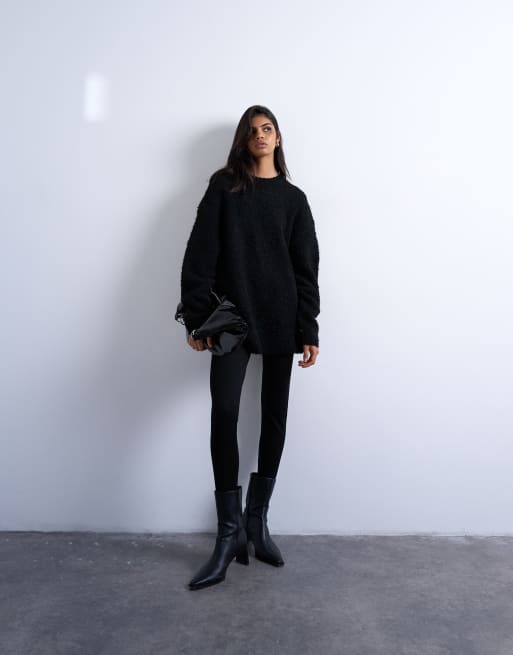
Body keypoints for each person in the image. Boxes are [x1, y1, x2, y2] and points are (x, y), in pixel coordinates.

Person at [179, 104, 320, 590]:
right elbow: (199, 254)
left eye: (267, 128)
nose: (260, 135)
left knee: (274, 417)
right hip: (233, 321)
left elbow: (306, 268)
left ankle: (257, 523)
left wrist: (309, 328)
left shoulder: (294, 200)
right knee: (225, 411)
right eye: (252, 130)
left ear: (278, 138)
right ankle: (228, 534)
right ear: (243, 141)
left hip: (281, 317)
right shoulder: (225, 188)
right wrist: (197, 318)